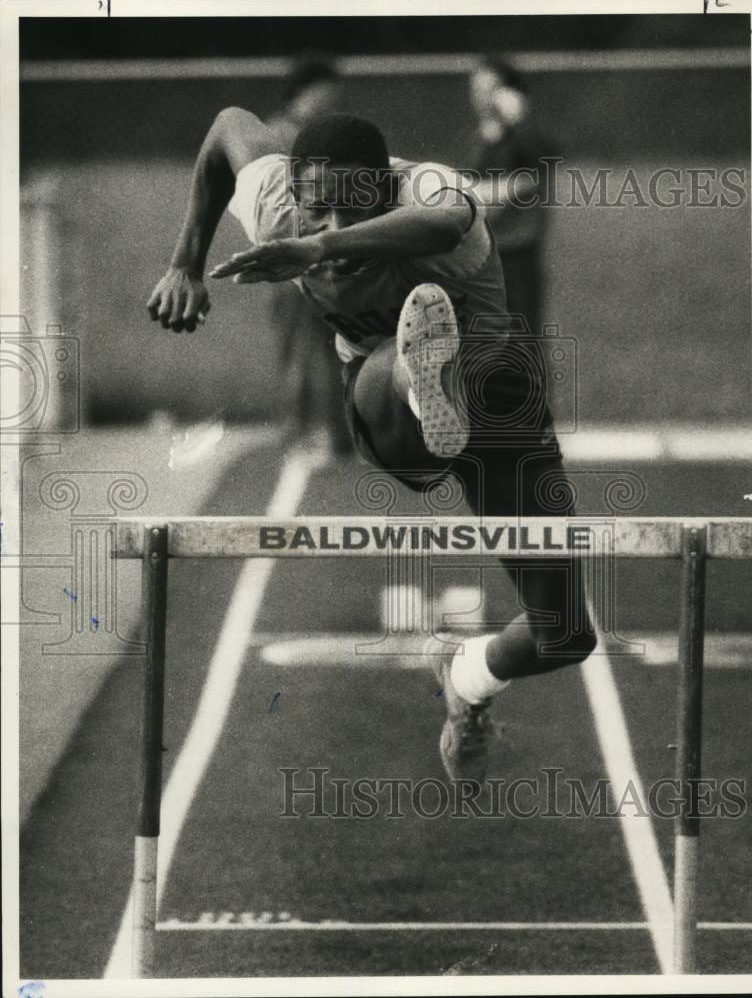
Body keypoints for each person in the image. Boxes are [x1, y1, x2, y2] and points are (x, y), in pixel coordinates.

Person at [147, 109, 596, 783]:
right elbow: (224, 129)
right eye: (316, 211)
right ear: (293, 190)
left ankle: (467, 676)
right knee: (388, 358)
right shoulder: (274, 197)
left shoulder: (429, 191)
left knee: (564, 634)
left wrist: (319, 250)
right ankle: (418, 377)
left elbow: (444, 223)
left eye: (348, 213)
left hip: (499, 404)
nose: (329, 226)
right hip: (381, 401)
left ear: (385, 189)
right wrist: (184, 263)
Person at [265, 56, 352, 451]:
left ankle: (341, 435)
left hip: (329, 257)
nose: (333, 100)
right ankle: (296, 434)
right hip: (291, 258)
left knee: (340, 348)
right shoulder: (276, 136)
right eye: (327, 93)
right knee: (297, 352)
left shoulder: (329, 134)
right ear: (308, 91)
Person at [469, 57, 557, 335]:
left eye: (490, 89)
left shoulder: (523, 141)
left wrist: (517, 119)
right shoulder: (477, 141)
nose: (481, 99)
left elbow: (544, 159)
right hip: (480, 260)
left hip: (517, 257)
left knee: (522, 347)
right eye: (476, 90)